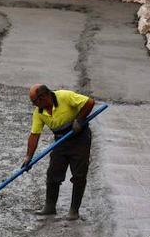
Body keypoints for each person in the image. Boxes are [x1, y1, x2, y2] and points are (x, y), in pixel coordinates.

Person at [23, 84, 96, 220]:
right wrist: (29, 157)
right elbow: (34, 135)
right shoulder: (39, 113)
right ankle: (50, 207)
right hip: (61, 141)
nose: (34, 105)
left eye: (35, 101)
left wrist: (79, 120)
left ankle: (74, 211)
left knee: (79, 175)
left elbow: (89, 102)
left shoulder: (64, 96)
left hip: (80, 138)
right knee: (53, 173)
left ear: (44, 96)